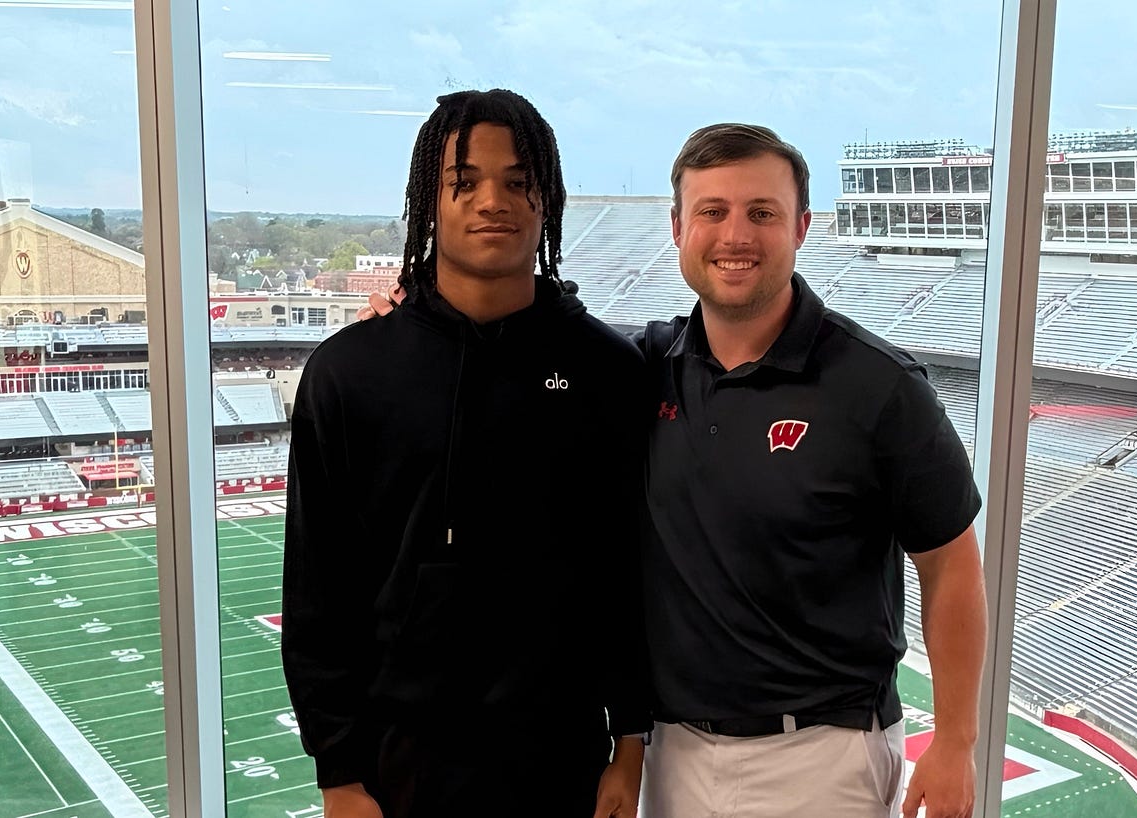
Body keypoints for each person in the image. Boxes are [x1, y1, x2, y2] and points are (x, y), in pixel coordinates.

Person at [360, 122, 988, 818]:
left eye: (761, 213)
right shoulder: (643, 367)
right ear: (678, 228)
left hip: (822, 753)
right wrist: (415, 322)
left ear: (802, 227)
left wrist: (956, 739)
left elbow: (951, 565)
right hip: (673, 751)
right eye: (712, 211)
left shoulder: (881, 386)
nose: (735, 236)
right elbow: (530, 343)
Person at [281, 88, 652, 818]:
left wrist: (631, 741)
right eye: (465, 181)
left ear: (547, 201)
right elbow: (319, 590)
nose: (493, 202)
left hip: (564, 759)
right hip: (397, 767)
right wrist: (339, 773)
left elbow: (627, 572)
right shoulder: (349, 372)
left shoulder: (607, 370)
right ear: (429, 199)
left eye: (518, 181)